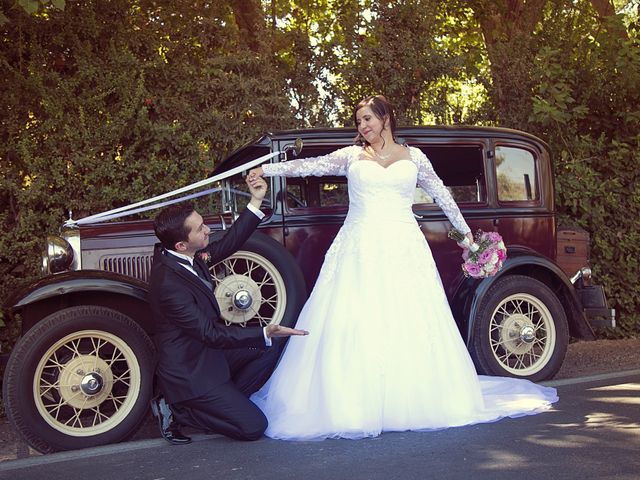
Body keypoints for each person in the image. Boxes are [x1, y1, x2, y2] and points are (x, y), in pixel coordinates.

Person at [248, 95, 558, 441]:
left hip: (404, 245)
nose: (363, 126)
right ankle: (350, 401)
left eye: (367, 119)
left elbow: (442, 196)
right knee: (354, 315)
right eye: (359, 122)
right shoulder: (352, 156)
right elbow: (310, 165)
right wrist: (267, 169)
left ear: (385, 118)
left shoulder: (414, 157)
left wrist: (468, 239)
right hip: (359, 246)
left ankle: (414, 396)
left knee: (409, 314)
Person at [148, 175, 308, 445]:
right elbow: (210, 333)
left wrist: (256, 199)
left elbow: (231, 242)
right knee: (253, 427)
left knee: (269, 348)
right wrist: (265, 330)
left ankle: (226, 402)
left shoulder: (188, 256)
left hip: (210, 355)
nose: (207, 230)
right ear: (181, 245)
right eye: (200, 229)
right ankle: (179, 411)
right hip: (191, 371)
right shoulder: (169, 284)